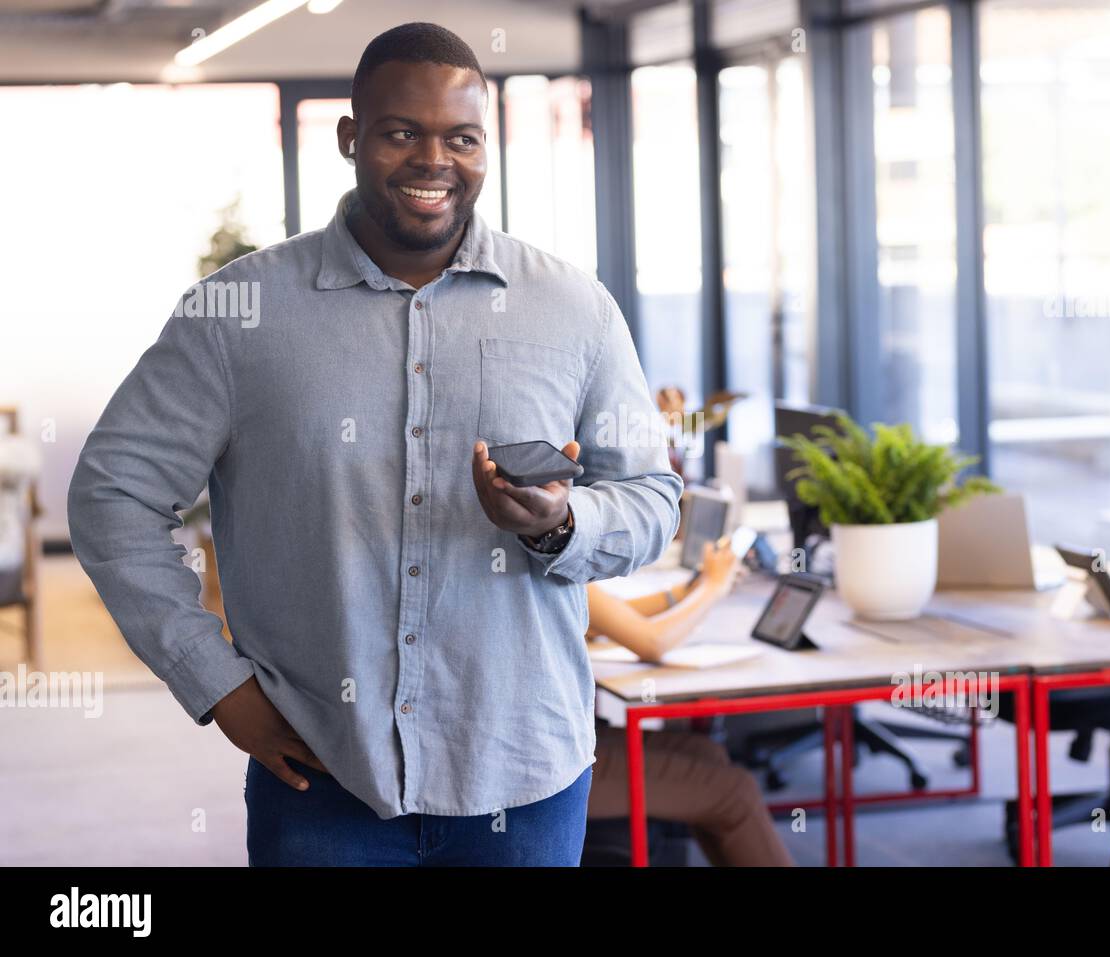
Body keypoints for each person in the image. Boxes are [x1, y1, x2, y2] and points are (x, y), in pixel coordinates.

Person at [66, 22, 682, 867]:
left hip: (524, 780)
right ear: (352, 138)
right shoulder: (239, 314)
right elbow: (113, 493)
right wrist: (217, 684)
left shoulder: (575, 308)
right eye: (402, 133)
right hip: (322, 779)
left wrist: (559, 521)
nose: (435, 160)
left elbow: (652, 496)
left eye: (462, 138)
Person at [583, 539, 796, 866]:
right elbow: (652, 643)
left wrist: (688, 592)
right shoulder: (535, 541)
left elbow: (598, 616)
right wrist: (713, 586)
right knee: (735, 793)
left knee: (705, 752)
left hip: (560, 742)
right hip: (541, 767)